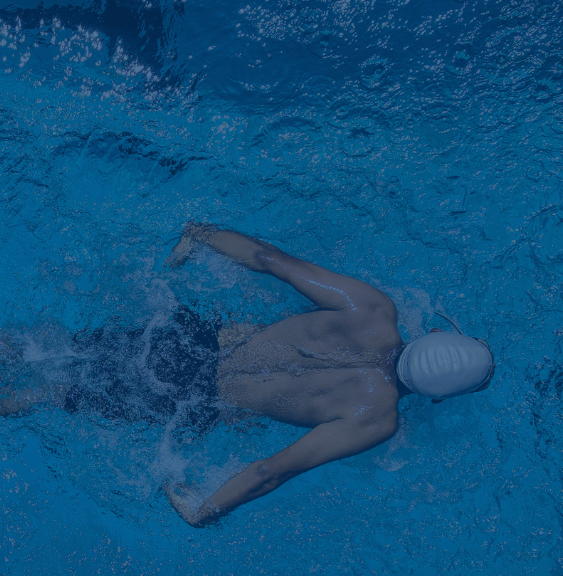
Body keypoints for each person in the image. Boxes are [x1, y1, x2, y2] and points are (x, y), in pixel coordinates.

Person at [161, 223, 494, 526]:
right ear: (436, 398)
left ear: (435, 332)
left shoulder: (372, 309)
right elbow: (269, 471)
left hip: (192, 340)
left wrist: (199, 234)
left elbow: (266, 258)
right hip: (193, 404)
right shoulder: (376, 420)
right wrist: (203, 511)